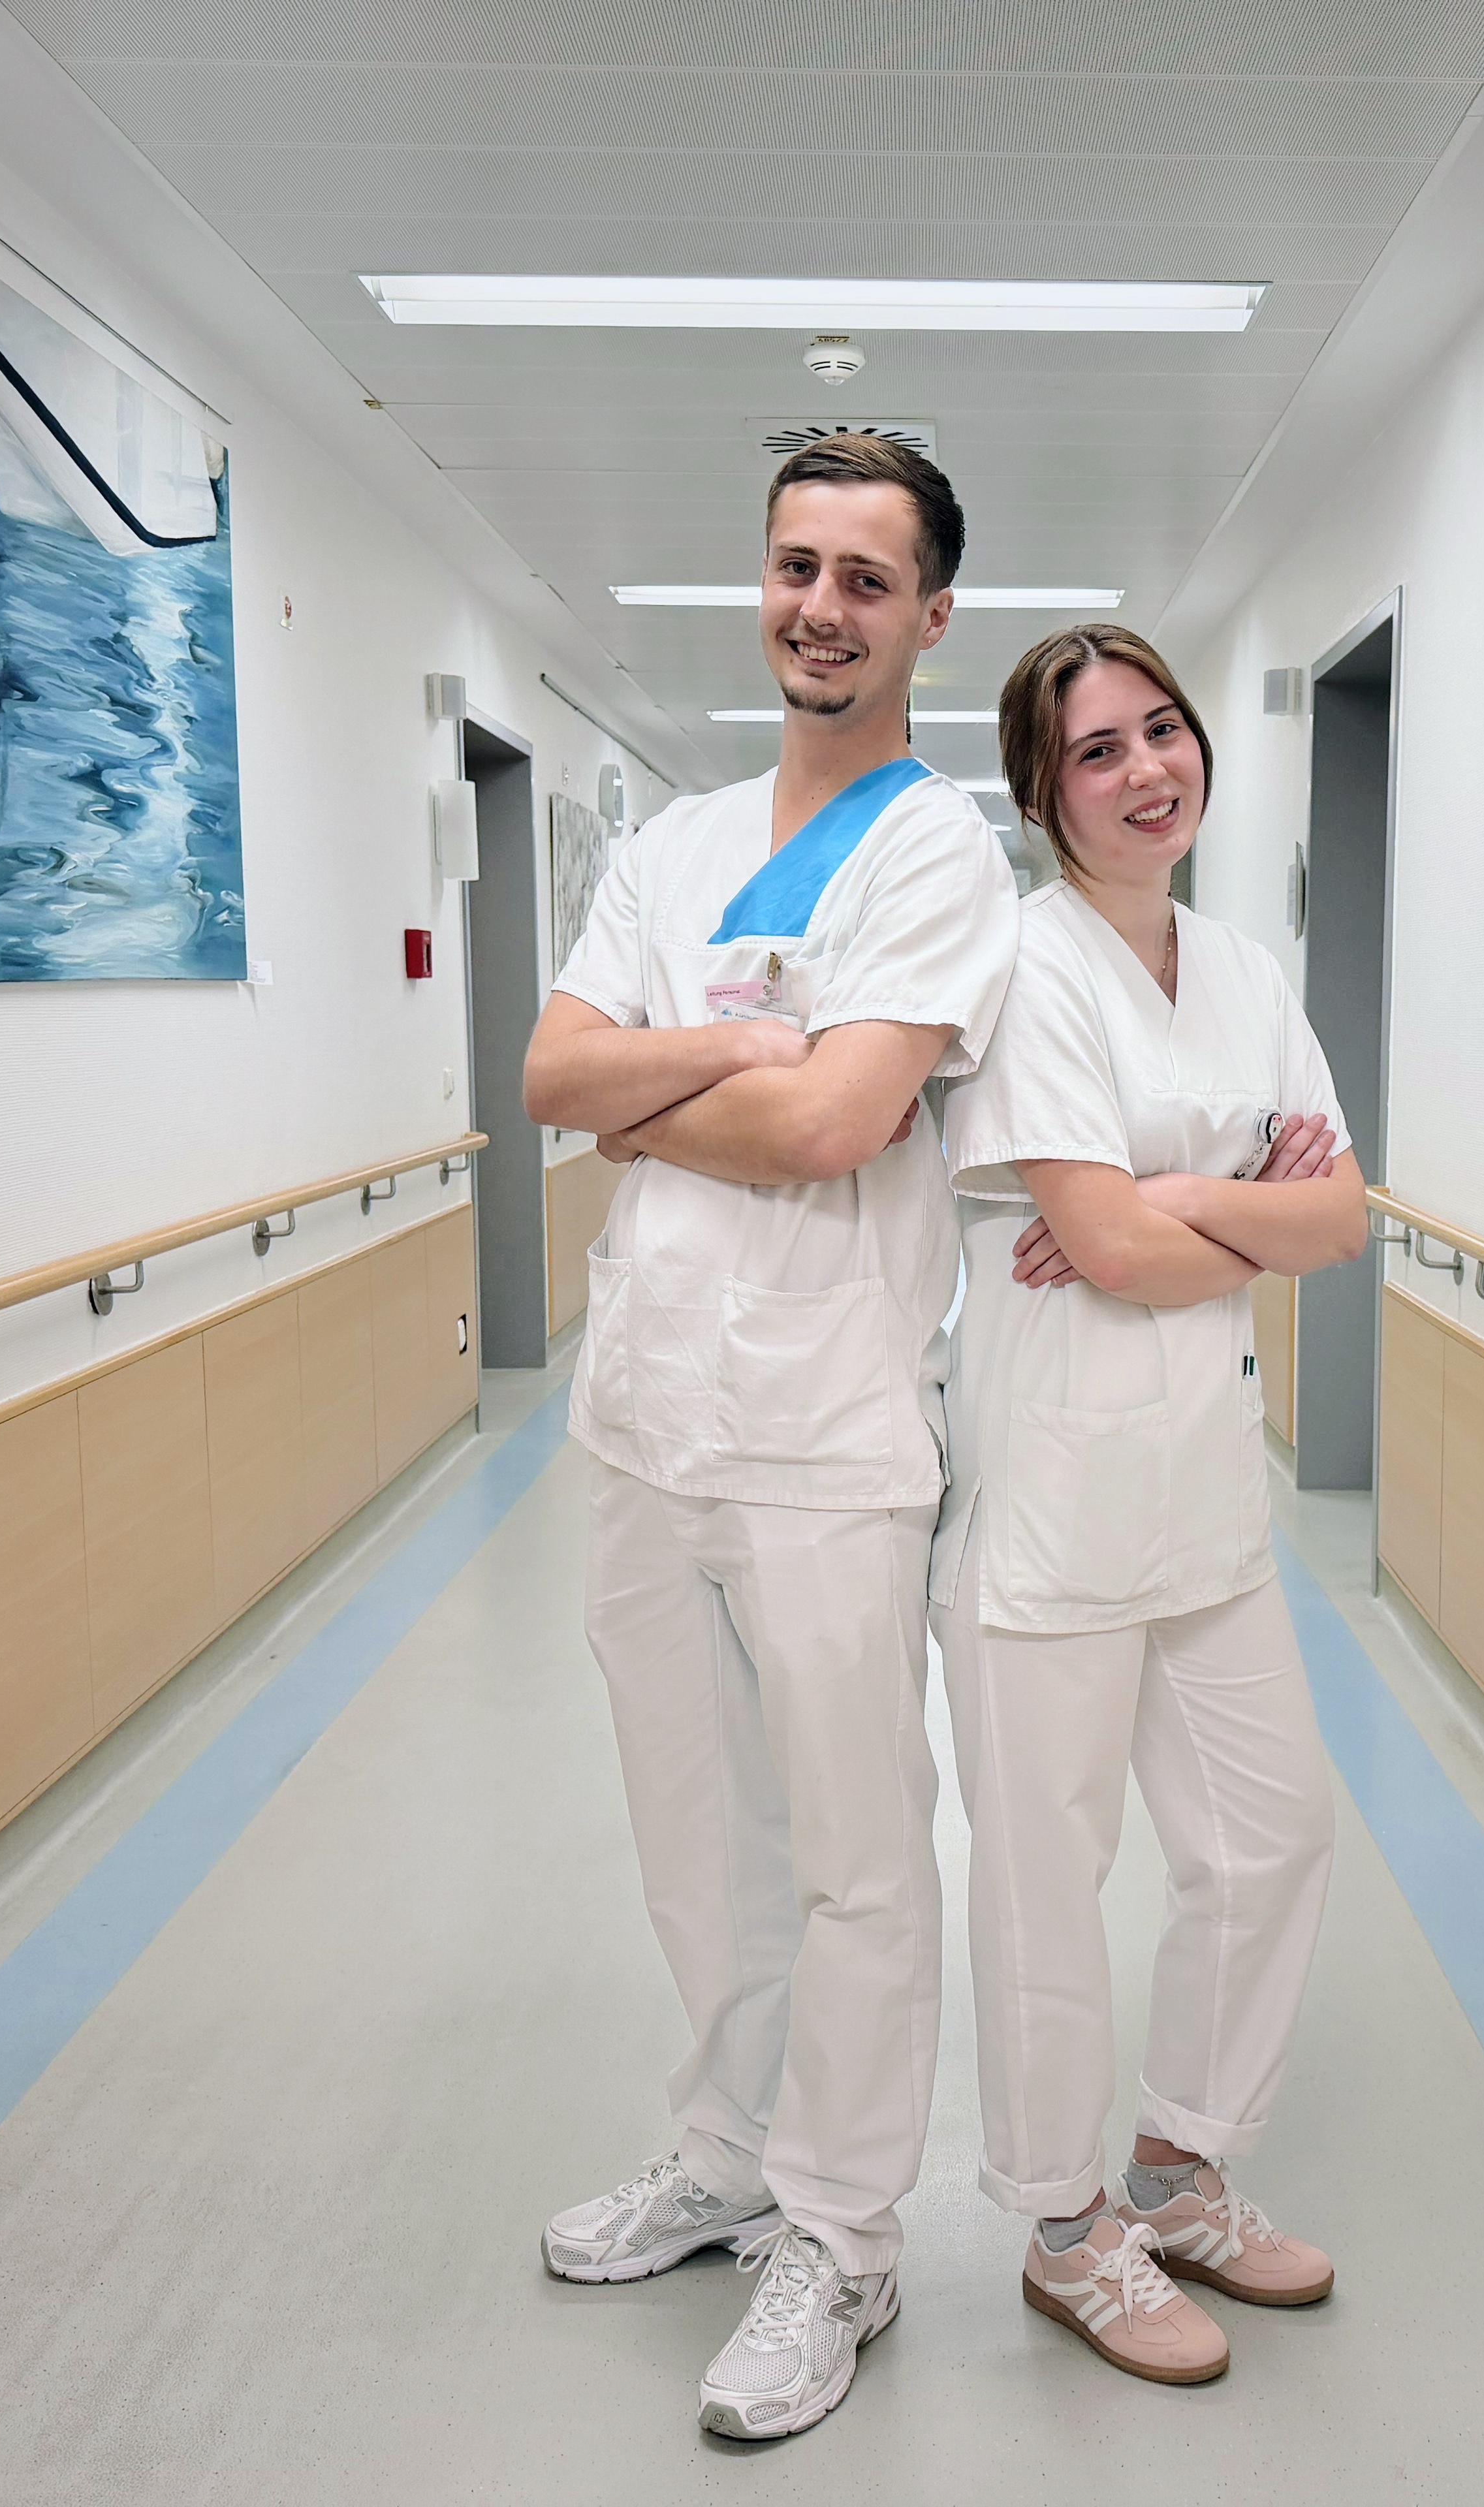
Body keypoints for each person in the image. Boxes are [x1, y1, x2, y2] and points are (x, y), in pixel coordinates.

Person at [522, 434, 1018, 2441]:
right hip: (649, 1420)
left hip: (825, 1434)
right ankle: (727, 2160)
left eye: (866, 580)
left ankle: (842, 2235)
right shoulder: (672, 843)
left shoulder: (935, 854)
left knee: (853, 1863)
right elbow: (550, 1075)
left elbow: (834, 1128)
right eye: (797, 566)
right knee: (696, 1839)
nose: (822, 607)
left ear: (930, 616)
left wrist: (660, 1091)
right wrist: (732, 1050)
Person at [930, 625, 1368, 2384]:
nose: (1144, 771)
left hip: (1203, 1498)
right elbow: (1104, 1248)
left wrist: (1168, 1203)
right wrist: (1227, 1206)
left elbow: (1342, 1221)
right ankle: (1065, 2230)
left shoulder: (1246, 969)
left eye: (1162, 730)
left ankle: (1182, 2169)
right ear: (1043, 795)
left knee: (1272, 1834)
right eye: (1096, 750)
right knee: (1048, 1883)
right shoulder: (1027, 965)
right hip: (1049, 1504)